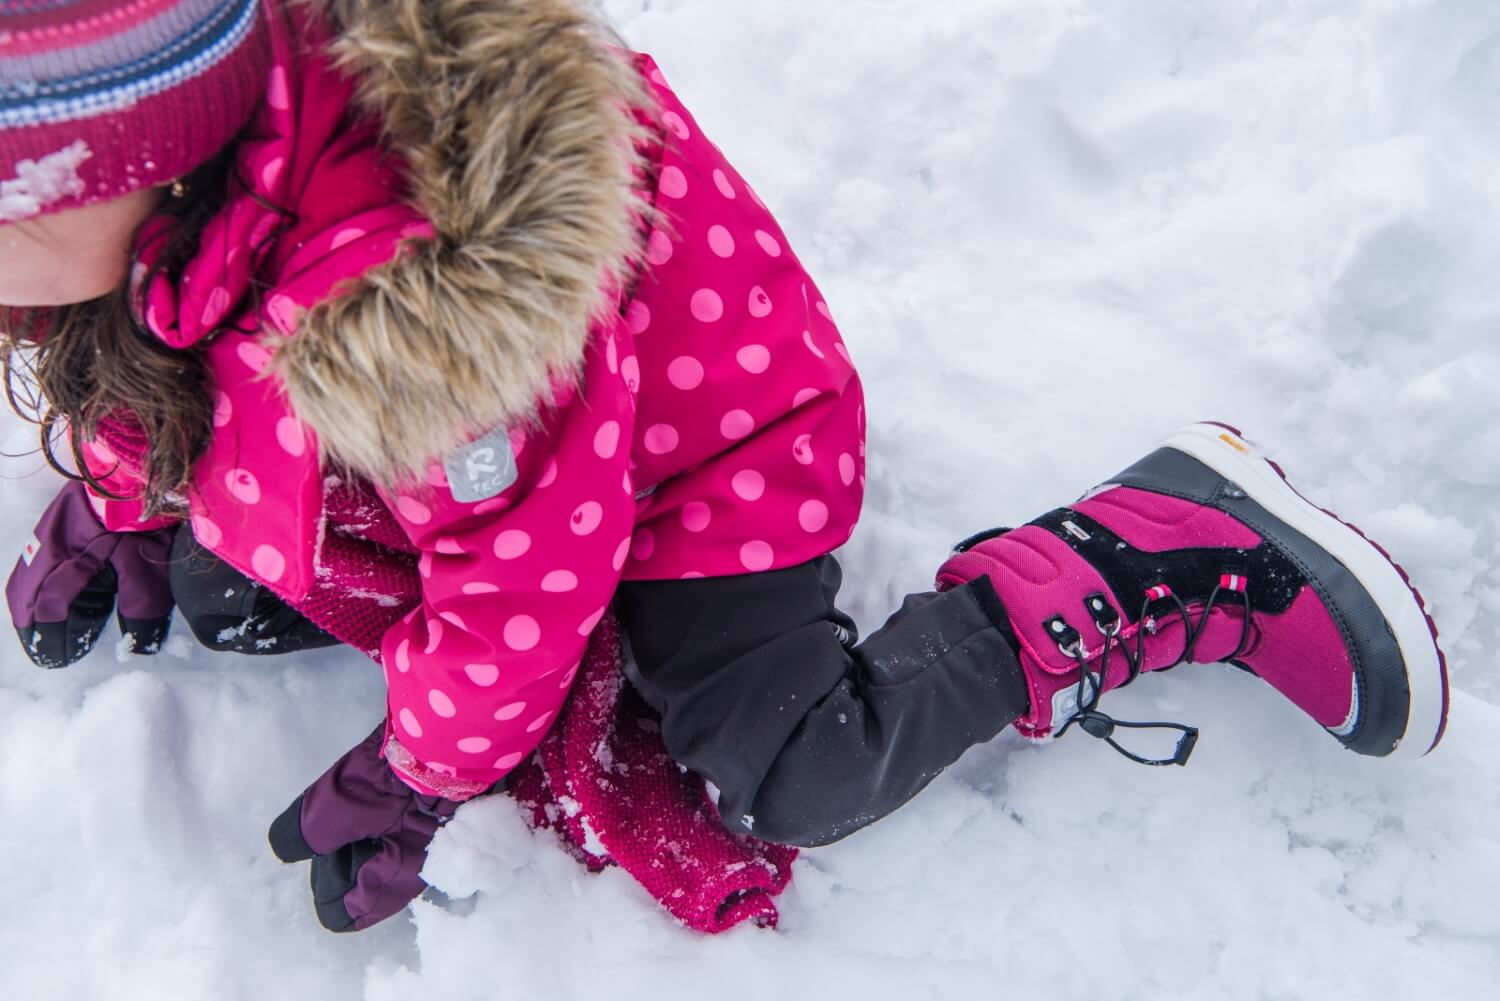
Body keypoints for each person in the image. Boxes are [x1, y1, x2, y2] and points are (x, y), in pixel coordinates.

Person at [0, 0, 1448, 933]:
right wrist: (130, 498)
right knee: (243, 579)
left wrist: (423, 766)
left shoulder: (408, 312)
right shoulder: (162, 199)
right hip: (508, 435)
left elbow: (527, 578)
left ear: (143, 153)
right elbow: (153, 346)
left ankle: (1147, 547)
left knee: (788, 768)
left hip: (709, 446)